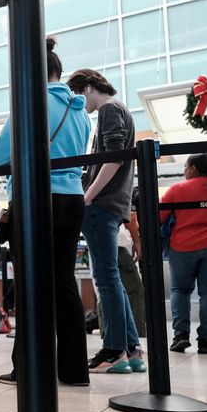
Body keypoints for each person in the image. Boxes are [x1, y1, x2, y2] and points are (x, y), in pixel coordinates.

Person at [0, 37, 92, 385]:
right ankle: (75, 369)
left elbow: (0, 155)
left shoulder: (29, 103)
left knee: (31, 283)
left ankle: (30, 367)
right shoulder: (80, 112)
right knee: (63, 282)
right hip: (72, 199)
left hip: (37, 198)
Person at [67, 68, 140, 374]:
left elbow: (114, 157)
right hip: (114, 204)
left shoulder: (109, 109)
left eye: (77, 96)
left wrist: (87, 195)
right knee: (111, 278)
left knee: (105, 278)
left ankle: (113, 352)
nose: (78, 104)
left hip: (102, 204)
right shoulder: (120, 109)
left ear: (88, 87)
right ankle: (131, 349)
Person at [160, 153, 207, 354]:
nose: (184, 171)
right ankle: (206, 341)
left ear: (193, 168)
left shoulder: (177, 189)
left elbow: (159, 216)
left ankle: (181, 336)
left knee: (180, 291)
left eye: (185, 167)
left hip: (183, 247)